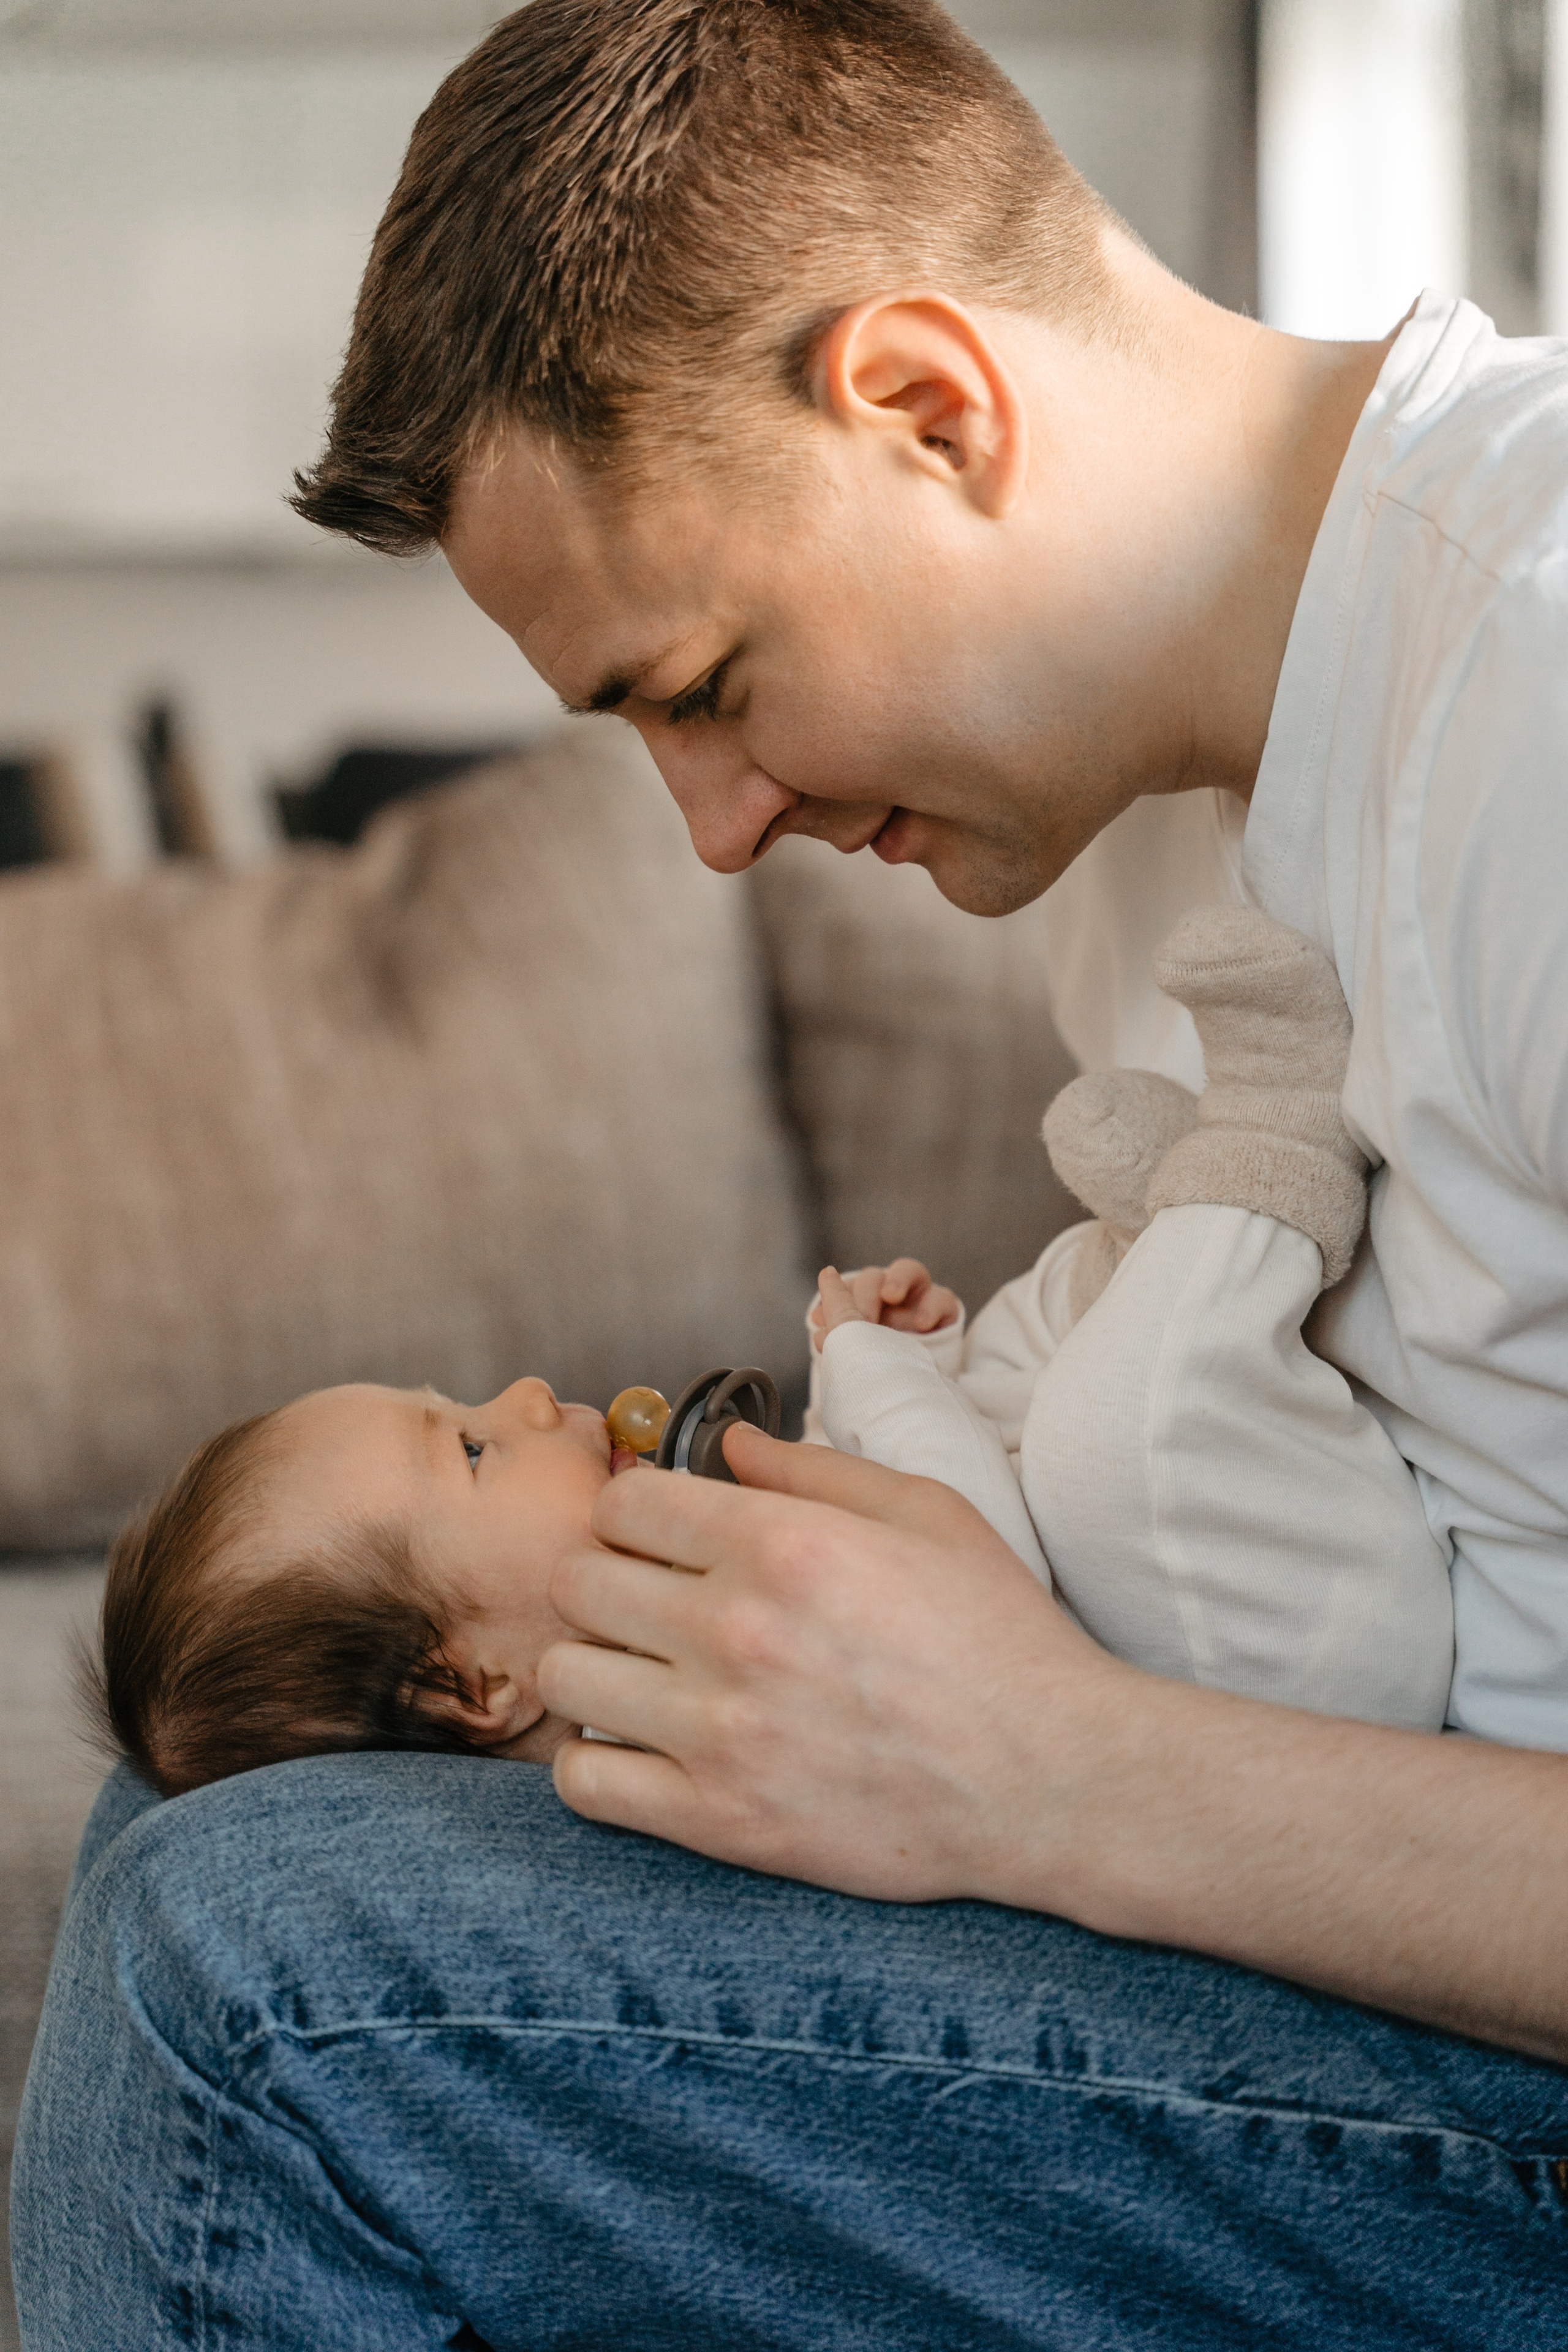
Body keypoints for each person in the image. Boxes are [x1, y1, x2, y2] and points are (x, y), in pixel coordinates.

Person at [14, 2, 1568, 2345]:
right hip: (1355, 1946)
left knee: (244, 1981)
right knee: (210, 1784)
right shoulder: (1150, 811)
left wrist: (1048, 1772)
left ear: (930, 406)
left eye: (707, 684)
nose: (720, 831)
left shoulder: (1535, 703)